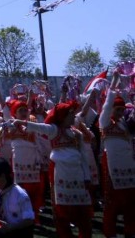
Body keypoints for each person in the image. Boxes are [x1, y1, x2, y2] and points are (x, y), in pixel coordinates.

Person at [12, 101, 92, 237]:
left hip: (78, 175)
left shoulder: (77, 134)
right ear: (63, 117)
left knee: (82, 211)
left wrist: (87, 177)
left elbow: (84, 157)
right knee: (62, 211)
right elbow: (41, 127)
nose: (73, 118)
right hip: (60, 173)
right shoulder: (55, 130)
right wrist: (22, 122)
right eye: (70, 115)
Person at [99, 70, 135, 238]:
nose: (120, 112)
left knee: (130, 201)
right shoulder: (105, 122)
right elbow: (107, 105)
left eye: (122, 109)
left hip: (128, 166)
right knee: (112, 202)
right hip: (111, 165)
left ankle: (130, 231)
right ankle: (110, 233)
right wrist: (114, 82)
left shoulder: (124, 124)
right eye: (117, 109)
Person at [0, 158, 35, 237]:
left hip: (17, 231)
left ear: (3, 176)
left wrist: (10, 227)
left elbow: (29, 220)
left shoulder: (20, 194)